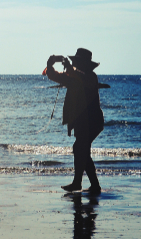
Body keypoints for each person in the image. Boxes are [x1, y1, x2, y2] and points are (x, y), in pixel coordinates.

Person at [45, 48, 105, 194]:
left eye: (78, 62)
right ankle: (92, 185)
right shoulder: (73, 75)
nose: (76, 64)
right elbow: (52, 75)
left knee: (80, 149)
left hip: (92, 121)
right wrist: (50, 62)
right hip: (81, 121)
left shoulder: (91, 77)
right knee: (82, 150)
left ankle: (79, 183)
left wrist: (71, 70)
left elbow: (83, 79)